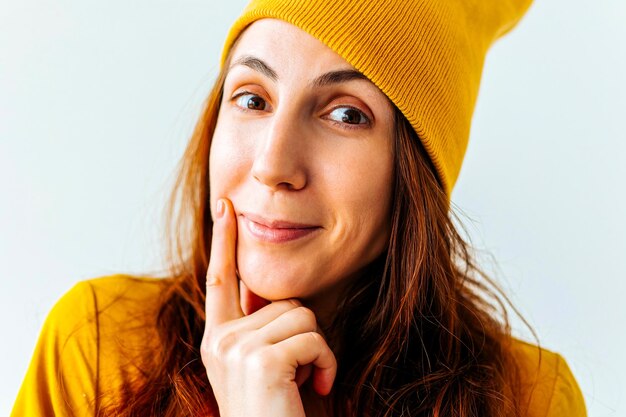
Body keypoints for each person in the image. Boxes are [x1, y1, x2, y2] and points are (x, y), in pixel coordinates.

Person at [12, 0, 587, 416]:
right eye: (253, 99)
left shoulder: (528, 398)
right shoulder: (95, 345)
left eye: (346, 114)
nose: (273, 164)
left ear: (416, 173)